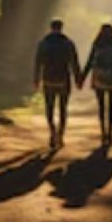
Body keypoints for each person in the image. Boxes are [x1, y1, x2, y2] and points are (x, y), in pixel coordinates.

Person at [79, 24, 112, 146]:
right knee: (111, 107)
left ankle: (103, 133)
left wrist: (82, 78)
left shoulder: (97, 44)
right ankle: (110, 133)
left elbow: (90, 62)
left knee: (101, 107)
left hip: (99, 79)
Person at [34, 19, 81, 149]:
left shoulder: (43, 43)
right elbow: (74, 63)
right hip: (63, 80)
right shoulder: (68, 43)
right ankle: (60, 135)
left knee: (49, 108)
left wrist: (36, 79)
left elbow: (38, 63)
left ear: (51, 28)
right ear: (61, 28)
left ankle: (52, 132)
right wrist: (78, 79)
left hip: (48, 79)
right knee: (63, 108)